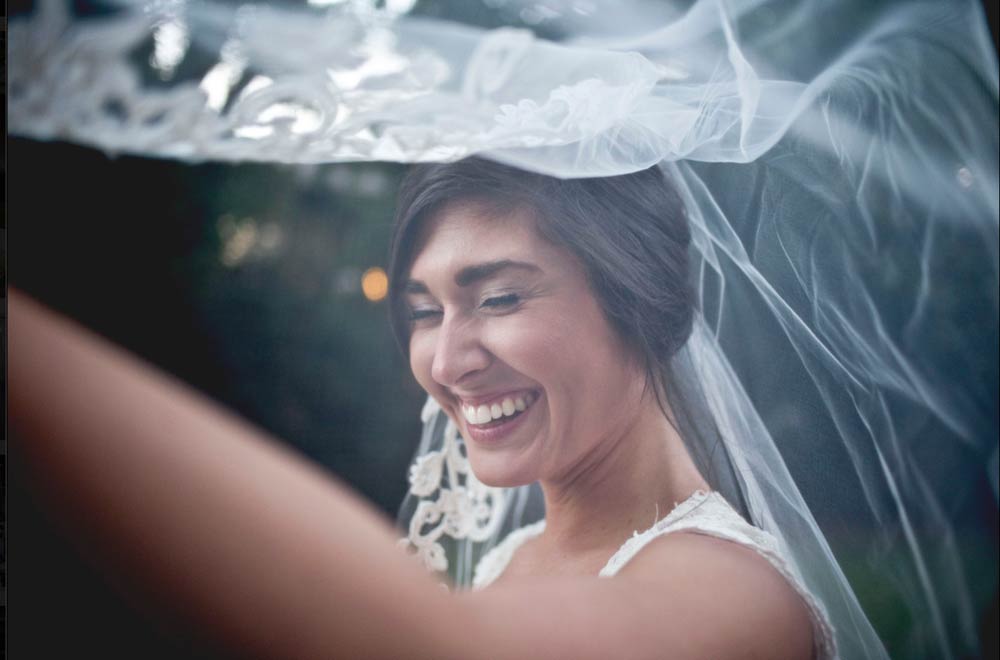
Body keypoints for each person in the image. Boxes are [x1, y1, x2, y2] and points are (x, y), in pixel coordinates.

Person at [10, 155, 834, 658]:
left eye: (501, 297)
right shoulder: (510, 558)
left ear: (646, 301)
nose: (447, 362)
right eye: (425, 311)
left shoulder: (732, 594)